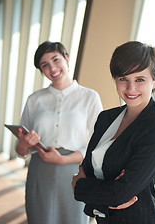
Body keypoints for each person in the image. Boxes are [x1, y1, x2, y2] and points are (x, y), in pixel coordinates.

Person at [72, 41, 155, 223]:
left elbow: (120, 193)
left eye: (140, 80)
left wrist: (80, 187)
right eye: (123, 79)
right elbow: (88, 169)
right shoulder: (106, 118)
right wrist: (107, 194)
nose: (130, 88)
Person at [15, 41, 103, 224]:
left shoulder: (89, 97)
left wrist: (64, 159)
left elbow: (98, 146)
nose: (52, 68)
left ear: (67, 58)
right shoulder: (34, 100)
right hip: (40, 170)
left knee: (73, 219)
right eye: (44, 65)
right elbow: (20, 151)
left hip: (76, 171)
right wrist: (25, 143)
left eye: (56, 60)